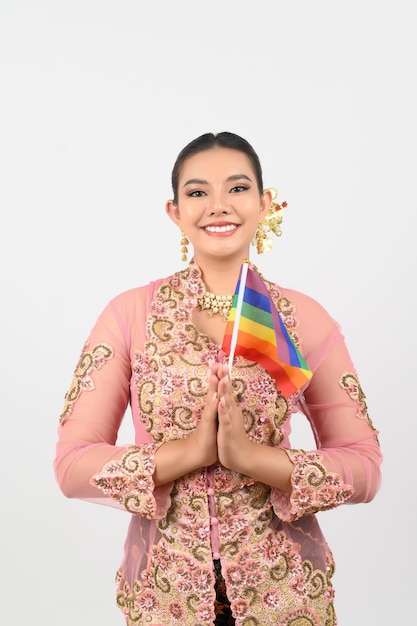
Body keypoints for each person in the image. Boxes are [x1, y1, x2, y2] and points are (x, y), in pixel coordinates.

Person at [54, 131, 382, 626]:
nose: (218, 206)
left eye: (237, 188)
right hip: (165, 596)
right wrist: (185, 454)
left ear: (265, 201)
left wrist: (253, 458)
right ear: (174, 211)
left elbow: (365, 467)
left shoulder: (301, 318)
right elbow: (72, 464)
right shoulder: (130, 315)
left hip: (285, 593)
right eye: (198, 192)